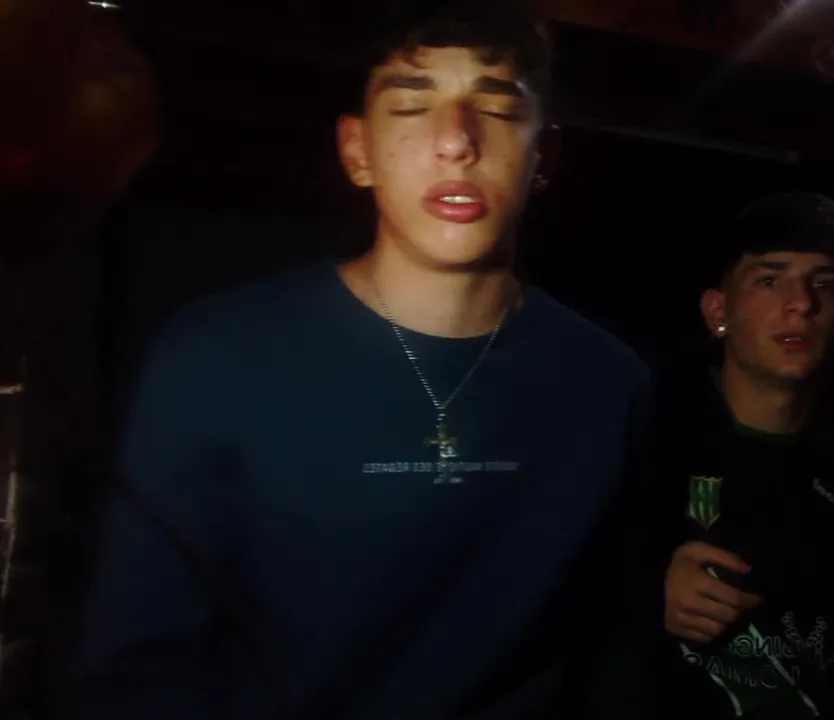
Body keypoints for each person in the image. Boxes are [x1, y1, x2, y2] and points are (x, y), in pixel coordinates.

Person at [66, 2, 656, 718]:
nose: (456, 141)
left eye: (498, 110)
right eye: (411, 106)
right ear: (357, 151)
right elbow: (135, 666)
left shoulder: (608, 382)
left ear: (544, 157)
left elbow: (620, 651)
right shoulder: (212, 358)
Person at [656, 193, 834, 720]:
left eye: (824, 284)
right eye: (770, 280)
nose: (802, 303)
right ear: (718, 311)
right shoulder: (650, 437)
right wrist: (652, 586)